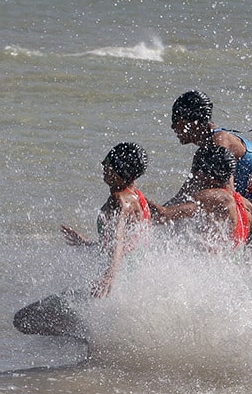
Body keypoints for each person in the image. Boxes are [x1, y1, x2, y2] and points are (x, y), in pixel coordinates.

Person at [14, 143, 153, 339]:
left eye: (107, 162)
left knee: (24, 319)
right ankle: (93, 338)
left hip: (117, 279)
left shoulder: (121, 199)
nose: (103, 165)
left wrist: (109, 276)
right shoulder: (137, 196)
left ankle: (90, 337)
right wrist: (85, 244)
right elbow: (128, 245)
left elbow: (119, 239)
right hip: (130, 278)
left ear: (120, 169)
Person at [167, 90, 252, 234]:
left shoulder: (219, 143)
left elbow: (227, 194)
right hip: (247, 193)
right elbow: (186, 193)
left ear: (191, 121)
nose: (173, 127)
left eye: (176, 120)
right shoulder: (205, 151)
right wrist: (158, 212)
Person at [155, 145, 252, 253]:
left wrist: (137, 196)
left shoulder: (213, 196)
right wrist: (247, 259)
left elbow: (163, 215)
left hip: (210, 271)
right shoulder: (244, 204)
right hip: (232, 273)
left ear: (204, 175)